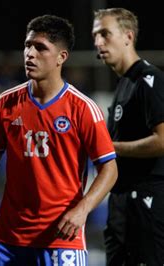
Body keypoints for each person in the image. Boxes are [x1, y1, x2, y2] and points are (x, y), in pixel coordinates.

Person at [0, 15, 118, 265]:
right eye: (27, 45)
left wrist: (82, 209)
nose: (30, 54)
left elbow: (109, 169)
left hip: (60, 236)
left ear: (61, 57)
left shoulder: (83, 109)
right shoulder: (6, 103)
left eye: (40, 47)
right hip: (9, 238)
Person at [93, 8, 164, 265]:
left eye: (105, 34)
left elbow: (163, 140)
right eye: (95, 36)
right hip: (121, 202)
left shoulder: (149, 79)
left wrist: (110, 147)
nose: (98, 42)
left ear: (128, 36)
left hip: (147, 200)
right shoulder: (125, 83)